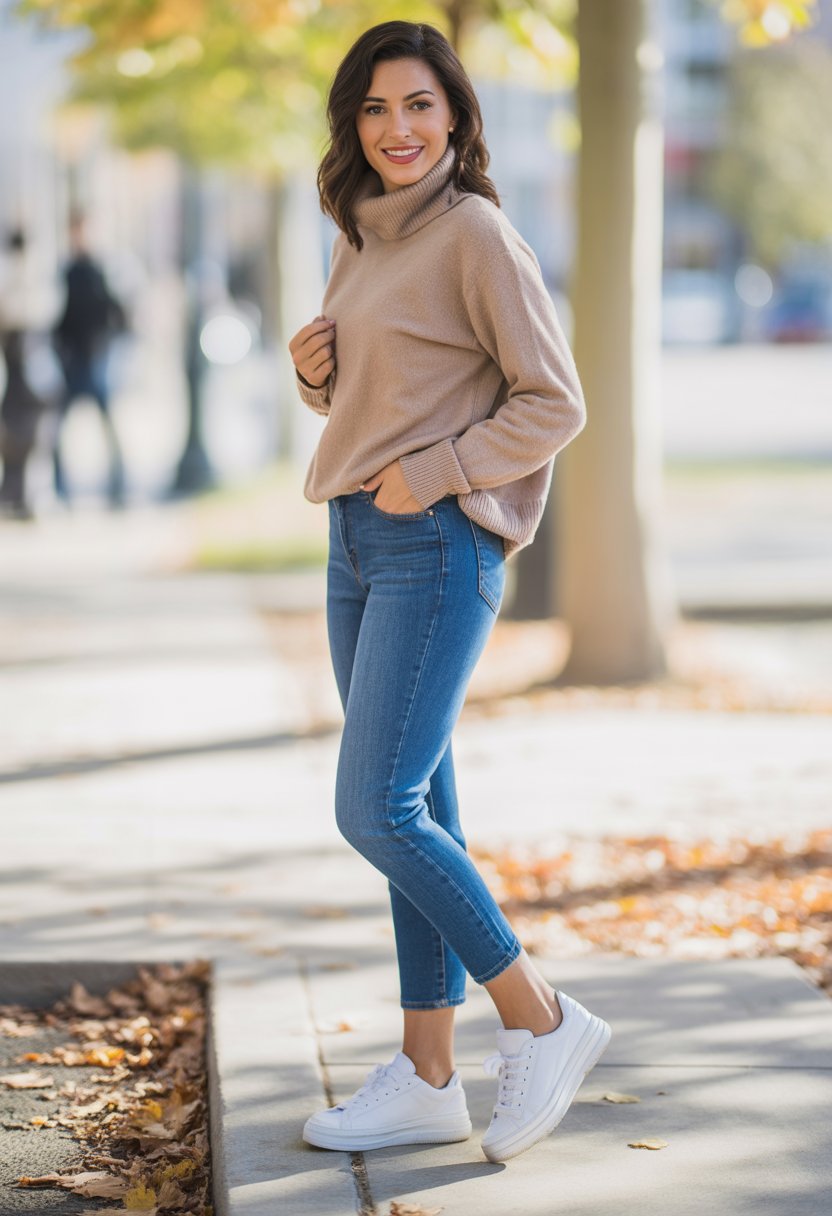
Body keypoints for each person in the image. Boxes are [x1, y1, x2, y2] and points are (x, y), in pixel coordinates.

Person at [288, 20, 610, 1164]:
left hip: (433, 543)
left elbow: (553, 400)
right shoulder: (359, 233)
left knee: (375, 809)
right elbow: (395, 393)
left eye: (419, 104)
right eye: (375, 108)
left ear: (457, 117)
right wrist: (317, 379)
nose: (397, 128)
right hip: (356, 542)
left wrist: (435, 473)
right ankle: (429, 1074)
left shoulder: (476, 232)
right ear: (352, 124)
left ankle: (542, 1017)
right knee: (418, 810)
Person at [52, 212, 126, 506]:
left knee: (107, 421)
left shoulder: (98, 270)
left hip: (95, 359)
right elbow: (63, 316)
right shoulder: (68, 272)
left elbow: (113, 310)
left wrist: (106, 341)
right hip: (73, 361)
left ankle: (118, 481)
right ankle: (60, 486)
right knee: (58, 426)